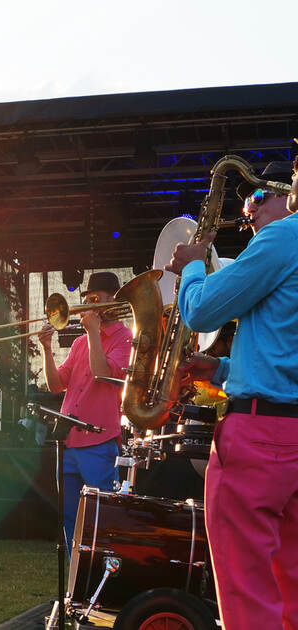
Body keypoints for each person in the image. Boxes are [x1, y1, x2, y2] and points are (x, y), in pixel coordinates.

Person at [164, 159, 298, 628]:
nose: (250, 212)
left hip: (261, 439)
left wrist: (195, 267)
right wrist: (221, 369)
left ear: (290, 190)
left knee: (249, 601)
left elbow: (200, 312)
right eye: (247, 204)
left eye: (260, 198)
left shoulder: (284, 238)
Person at [35, 271, 131, 550]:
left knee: (101, 518)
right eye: (88, 299)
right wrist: (46, 348)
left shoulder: (125, 338)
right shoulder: (80, 342)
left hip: (99, 441)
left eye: (96, 299)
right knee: (70, 518)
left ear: (113, 300)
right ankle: (76, 582)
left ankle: (102, 581)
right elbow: (55, 386)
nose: (90, 305)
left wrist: (92, 334)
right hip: (70, 442)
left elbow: (102, 373)